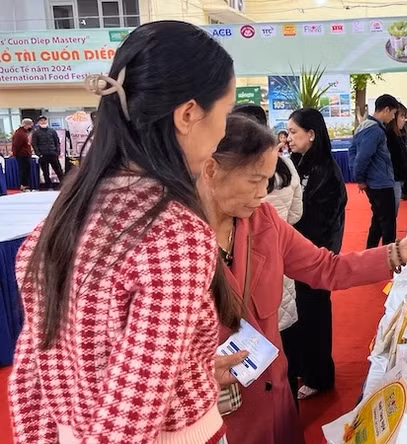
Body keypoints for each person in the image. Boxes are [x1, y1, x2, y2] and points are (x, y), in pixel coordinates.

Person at [9, 21, 241, 442]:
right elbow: (130, 415)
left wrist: (192, 369)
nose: (224, 132)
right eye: (226, 113)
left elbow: (30, 378)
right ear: (189, 114)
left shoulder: (63, 218)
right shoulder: (174, 233)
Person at [197, 114, 407, 444]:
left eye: (268, 180)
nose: (263, 193)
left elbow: (325, 268)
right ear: (211, 171)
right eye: (253, 181)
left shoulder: (262, 222)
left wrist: (397, 252)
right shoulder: (173, 246)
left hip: (276, 397)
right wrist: (191, 377)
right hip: (221, 417)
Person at [281, 108, 347, 400]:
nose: (289, 138)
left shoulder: (326, 171)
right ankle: (304, 371)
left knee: (315, 316)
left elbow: (324, 221)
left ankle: (320, 376)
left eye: (294, 132)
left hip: (315, 256)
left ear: (311, 134)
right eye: (289, 132)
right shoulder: (295, 162)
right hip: (296, 255)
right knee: (299, 316)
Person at [232, 105, 304, 333]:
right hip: (279, 256)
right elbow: (296, 213)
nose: (261, 193)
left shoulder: (233, 168)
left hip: (250, 264)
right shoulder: (287, 164)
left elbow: (325, 267)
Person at [349, 94, 399, 249]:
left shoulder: (365, 126)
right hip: (380, 183)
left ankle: (371, 252)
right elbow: (362, 157)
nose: (393, 117)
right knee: (388, 224)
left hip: (376, 180)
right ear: (386, 110)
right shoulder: (374, 130)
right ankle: (389, 257)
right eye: (393, 113)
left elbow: (353, 152)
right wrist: (360, 179)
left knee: (378, 220)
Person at [387, 104, 407, 209]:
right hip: (392, 178)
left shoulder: (398, 134)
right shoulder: (389, 134)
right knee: (391, 213)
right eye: (402, 116)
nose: (404, 120)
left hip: (397, 177)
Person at [31, 115, 64, 189]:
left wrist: (57, 152)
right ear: (39, 122)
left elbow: (57, 142)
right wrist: (39, 154)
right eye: (41, 120)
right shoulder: (36, 133)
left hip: (53, 154)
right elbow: (34, 144)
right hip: (43, 155)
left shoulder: (52, 131)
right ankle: (48, 185)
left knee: (58, 170)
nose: (43, 122)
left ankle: (63, 184)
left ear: (47, 121)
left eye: (44, 120)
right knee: (45, 172)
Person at [11, 118, 34, 191]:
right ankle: (23, 186)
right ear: (26, 125)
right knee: (23, 171)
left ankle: (25, 185)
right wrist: (14, 153)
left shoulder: (24, 132)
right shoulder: (20, 133)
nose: (31, 127)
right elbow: (16, 145)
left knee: (26, 170)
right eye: (30, 125)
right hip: (22, 155)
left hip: (25, 155)